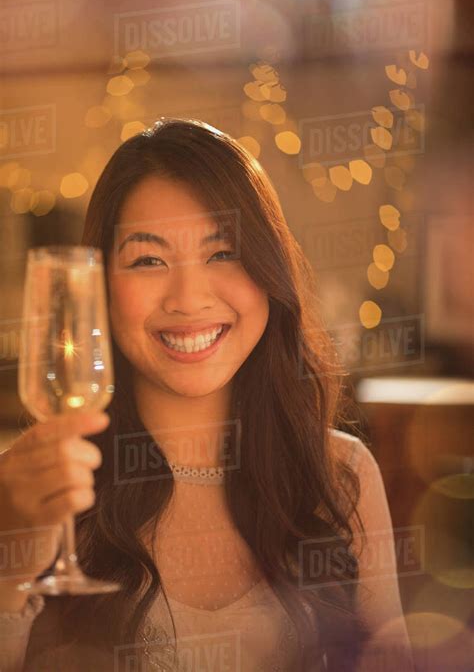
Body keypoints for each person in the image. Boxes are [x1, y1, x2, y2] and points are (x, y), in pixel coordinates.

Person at [0, 118, 415, 671]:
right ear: (99, 285)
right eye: (148, 260)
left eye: (222, 253)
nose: (189, 298)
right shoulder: (31, 490)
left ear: (269, 271)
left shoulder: (339, 474)